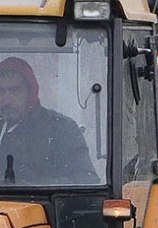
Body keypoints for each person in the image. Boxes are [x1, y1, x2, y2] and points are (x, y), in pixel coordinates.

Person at [0, 56, 97, 185]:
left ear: (31, 92)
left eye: (15, 90)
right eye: (1, 91)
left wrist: (34, 186)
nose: (7, 99)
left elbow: (86, 180)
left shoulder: (60, 129)